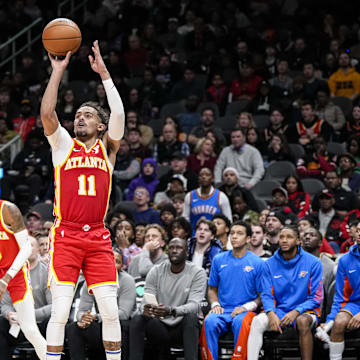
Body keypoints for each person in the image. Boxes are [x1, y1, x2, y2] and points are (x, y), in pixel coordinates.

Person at [40, 41, 125, 360]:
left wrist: (104, 74)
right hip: (66, 235)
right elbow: (47, 113)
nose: (80, 118)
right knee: (60, 311)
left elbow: (118, 113)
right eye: (77, 115)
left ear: (101, 126)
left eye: (87, 115)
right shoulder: (63, 146)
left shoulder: (108, 149)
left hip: (98, 236)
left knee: (110, 310)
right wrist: (57, 71)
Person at [247, 226, 323, 360]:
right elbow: (266, 294)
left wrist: (297, 311)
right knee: (257, 321)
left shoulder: (314, 262)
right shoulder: (268, 264)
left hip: (306, 311)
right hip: (279, 310)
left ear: (298, 241)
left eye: (289, 237)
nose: (284, 240)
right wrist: (270, 312)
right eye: (282, 237)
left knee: (302, 321)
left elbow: (316, 297)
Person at [129, 237, 207, 360]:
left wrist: (171, 310)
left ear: (187, 253)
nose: (174, 250)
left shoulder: (197, 272)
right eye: (171, 248)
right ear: (167, 252)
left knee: (191, 317)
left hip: (182, 326)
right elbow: (147, 297)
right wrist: (147, 309)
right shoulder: (156, 270)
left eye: (179, 248)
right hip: (159, 324)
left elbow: (195, 305)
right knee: (138, 319)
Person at [200, 221, 263, 360]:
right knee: (209, 321)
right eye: (232, 233)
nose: (234, 236)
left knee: (241, 321)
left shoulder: (257, 262)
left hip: (246, 312)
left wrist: (247, 307)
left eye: (239, 234)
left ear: (248, 239)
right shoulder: (218, 259)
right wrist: (215, 305)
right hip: (223, 310)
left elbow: (262, 295)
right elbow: (212, 289)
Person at [66, 249, 136, 360]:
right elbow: (81, 311)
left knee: (123, 326)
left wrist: (96, 317)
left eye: (116, 261)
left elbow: (124, 313)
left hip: (121, 324)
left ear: (122, 266)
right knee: (74, 328)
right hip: (102, 323)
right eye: (108, 261)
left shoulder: (127, 281)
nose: (112, 265)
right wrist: (84, 318)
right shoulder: (90, 280)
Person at [0, 200, 46, 360]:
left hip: (15, 273)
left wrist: (6, 278)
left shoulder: (8, 209)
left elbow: (27, 247)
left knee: (30, 330)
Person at [317, 221, 360, 360]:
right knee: (339, 322)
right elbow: (340, 296)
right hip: (355, 304)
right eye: (358, 230)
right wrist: (329, 321)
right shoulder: (345, 260)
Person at [183, 167, 232, 233]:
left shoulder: (221, 196)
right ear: (198, 178)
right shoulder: (190, 196)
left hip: (214, 237)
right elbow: (185, 219)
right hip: (194, 236)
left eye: (207, 175)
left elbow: (228, 220)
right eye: (201, 175)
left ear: (212, 178)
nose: (204, 177)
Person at [302, 227, 336, 317]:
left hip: (319, 312)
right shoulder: (294, 262)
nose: (307, 237)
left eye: (312, 235)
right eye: (305, 235)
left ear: (320, 243)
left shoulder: (330, 266)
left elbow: (331, 297)